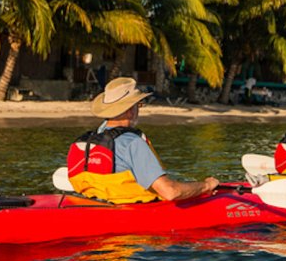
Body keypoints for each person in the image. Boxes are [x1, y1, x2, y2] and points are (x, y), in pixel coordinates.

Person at [67, 77, 220, 203]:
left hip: (94, 202)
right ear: (130, 110)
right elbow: (170, 192)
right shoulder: (133, 143)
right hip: (130, 216)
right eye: (138, 105)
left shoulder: (87, 141)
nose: (138, 110)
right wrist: (206, 186)